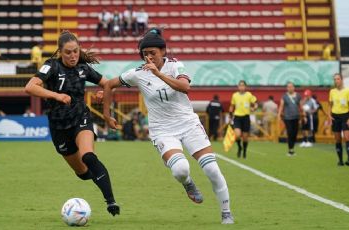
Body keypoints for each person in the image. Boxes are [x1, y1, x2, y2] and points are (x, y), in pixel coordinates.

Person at [103, 28, 233, 224]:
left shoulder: (176, 66)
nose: (149, 57)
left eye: (153, 53)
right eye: (145, 54)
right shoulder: (137, 74)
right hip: (163, 130)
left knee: (212, 170)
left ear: (163, 51)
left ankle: (226, 213)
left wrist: (158, 74)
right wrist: (106, 115)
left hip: (188, 124)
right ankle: (188, 184)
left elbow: (185, 87)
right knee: (181, 169)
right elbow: (109, 85)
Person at [24, 30, 120, 215]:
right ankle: (98, 176)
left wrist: (104, 92)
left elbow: (108, 84)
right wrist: (56, 95)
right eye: (68, 52)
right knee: (84, 173)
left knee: (88, 156)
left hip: (80, 118)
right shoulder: (51, 66)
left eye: (75, 51)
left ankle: (111, 201)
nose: (73, 55)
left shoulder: (84, 68)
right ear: (60, 52)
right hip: (59, 127)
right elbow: (30, 87)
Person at [229, 80, 258, 159]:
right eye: (240, 85)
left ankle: (244, 150)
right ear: (238, 87)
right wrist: (230, 114)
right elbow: (232, 106)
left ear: (245, 87)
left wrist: (254, 108)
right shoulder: (235, 95)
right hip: (237, 117)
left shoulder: (249, 95)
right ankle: (239, 147)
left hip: (246, 117)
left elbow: (255, 104)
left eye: (243, 85)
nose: (241, 87)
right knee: (237, 135)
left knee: (245, 137)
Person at [327, 73, 349, 166]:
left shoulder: (347, 91)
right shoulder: (332, 91)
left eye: (338, 79)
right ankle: (340, 160)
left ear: (342, 79)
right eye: (335, 79)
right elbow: (330, 105)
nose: (336, 81)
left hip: (345, 116)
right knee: (337, 139)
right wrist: (329, 115)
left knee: (347, 137)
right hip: (335, 117)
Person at [277, 82, 303, 156]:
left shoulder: (298, 96)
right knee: (290, 132)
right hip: (287, 118)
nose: (290, 88)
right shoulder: (284, 96)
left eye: (291, 87)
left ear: (294, 87)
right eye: (288, 87)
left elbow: (300, 106)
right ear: (287, 88)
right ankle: (290, 150)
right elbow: (281, 106)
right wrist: (279, 115)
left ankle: (292, 148)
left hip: (296, 117)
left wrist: (304, 115)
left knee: (295, 133)